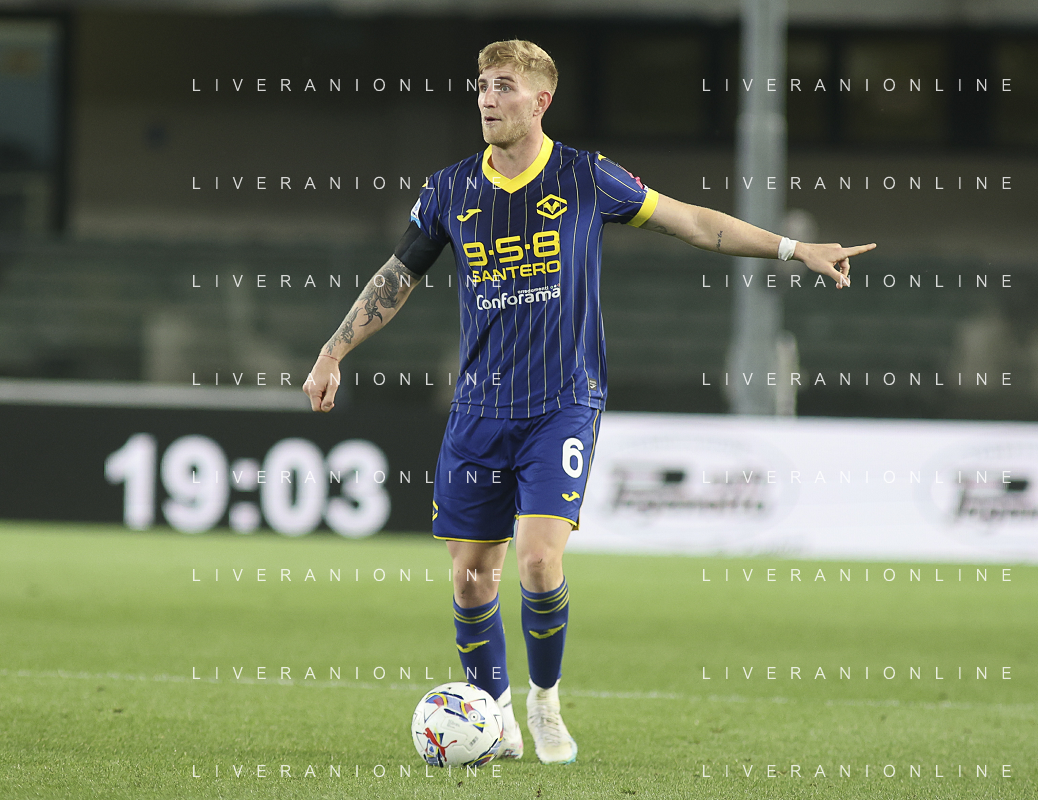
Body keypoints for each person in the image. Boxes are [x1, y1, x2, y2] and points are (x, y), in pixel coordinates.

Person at [303, 39, 876, 765]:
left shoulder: (584, 176)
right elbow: (396, 276)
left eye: (503, 86)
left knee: (539, 562)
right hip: (478, 409)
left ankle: (544, 702)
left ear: (540, 101)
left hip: (562, 402)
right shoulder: (449, 190)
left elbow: (694, 223)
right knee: (471, 577)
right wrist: (332, 352)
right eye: (481, 85)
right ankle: (495, 718)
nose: (486, 98)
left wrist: (794, 249)